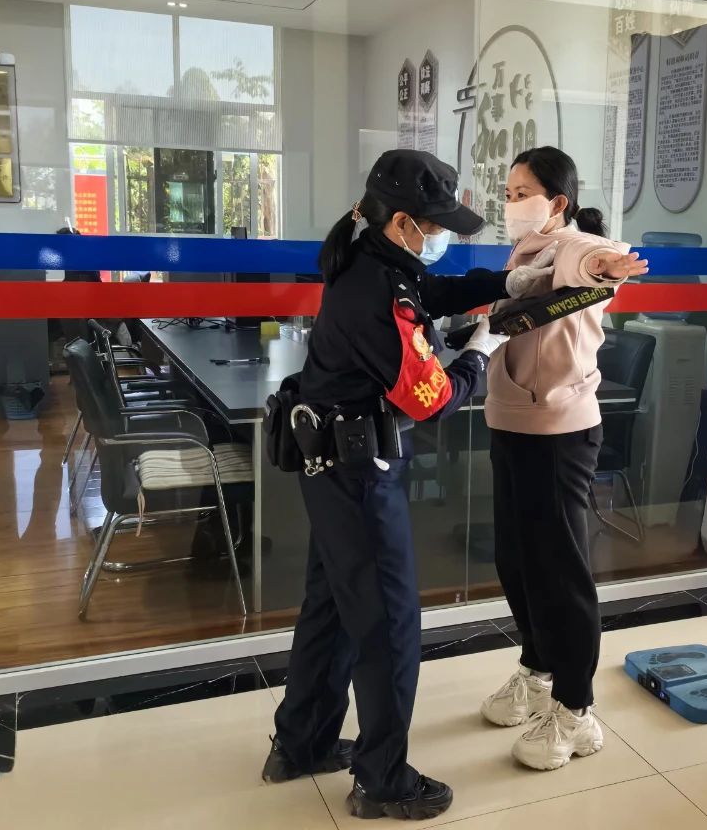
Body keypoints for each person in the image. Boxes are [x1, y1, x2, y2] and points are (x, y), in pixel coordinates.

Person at [262, 149, 554, 820]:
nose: (442, 235)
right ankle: (382, 780)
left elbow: (431, 291)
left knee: (332, 608)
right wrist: (478, 354)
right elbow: (432, 398)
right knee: (390, 625)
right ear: (403, 223)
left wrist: (507, 282)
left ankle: (301, 743)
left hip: (329, 468)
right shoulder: (377, 295)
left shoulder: (368, 258)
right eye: (437, 224)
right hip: (359, 478)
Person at [479, 146, 648, 771]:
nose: (512, 204)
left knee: (559, 569)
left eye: (523, 193)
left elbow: (590, 261)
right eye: (507, 193)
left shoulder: (572, 243)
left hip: (558, 432)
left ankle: (577, 709)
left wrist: (607, 263)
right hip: (509, 421)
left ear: (557, 202)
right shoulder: (523, 253)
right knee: (515, 558)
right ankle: (538, 666)